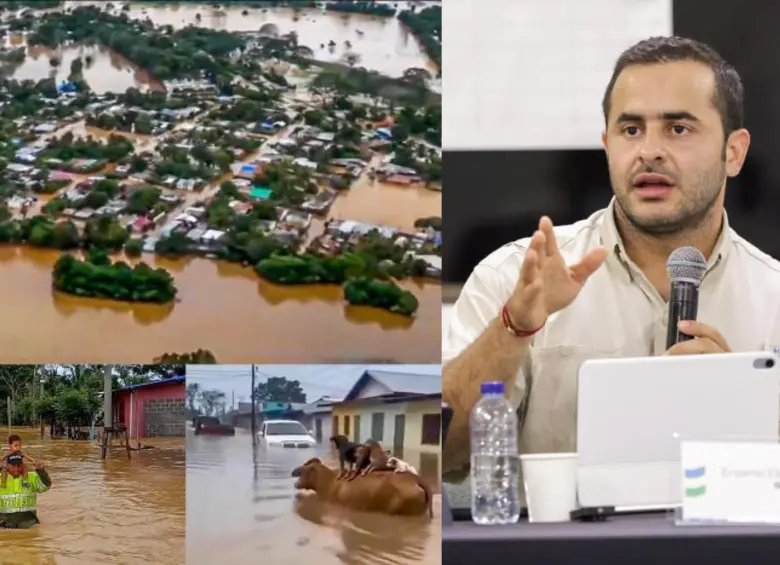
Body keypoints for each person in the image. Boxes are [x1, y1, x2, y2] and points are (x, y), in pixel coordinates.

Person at [442, 36, 780, 501]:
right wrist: (513, 327)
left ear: (733, 152)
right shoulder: (514, 276)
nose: (649, 151)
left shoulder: (773, 299)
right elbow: (444, 455)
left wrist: (738, 414)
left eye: (678, 128)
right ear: (606, 145)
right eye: (631, 129)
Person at [0, 452, 51, 529]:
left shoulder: (32, 477)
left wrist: (41, 471)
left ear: (23, 465)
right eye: (13, 466)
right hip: (4, 526)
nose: (16, 469)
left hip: (30, 525)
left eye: (19, 465)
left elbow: (45, 487)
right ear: (7, 466)